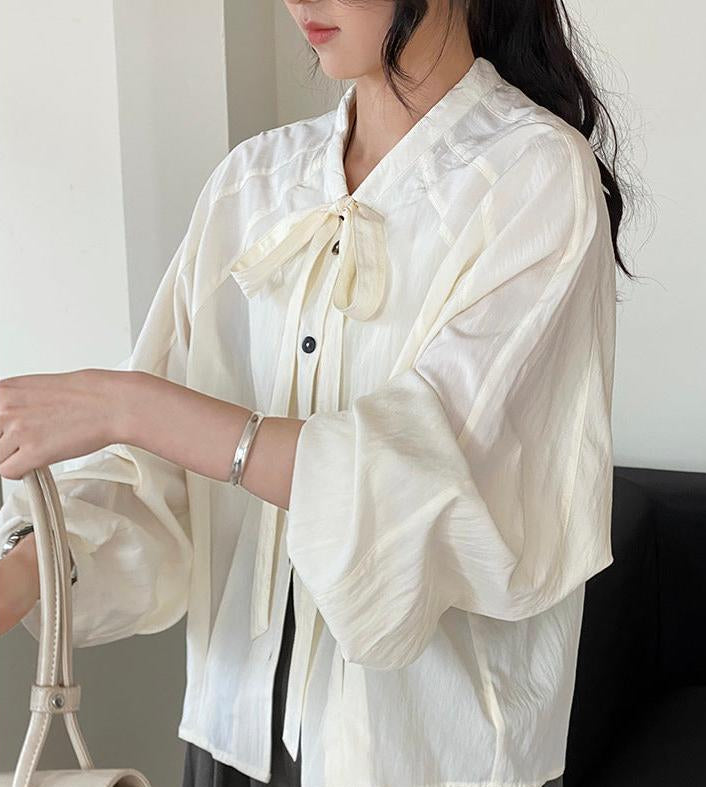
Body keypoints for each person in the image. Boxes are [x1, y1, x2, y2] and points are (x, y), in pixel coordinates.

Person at [0, 0, 634, 785]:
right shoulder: (251, 184)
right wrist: (23, 573)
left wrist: (125, 405)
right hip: (230, 739)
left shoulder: (531, 180)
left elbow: (420, 478)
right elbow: (158, 486)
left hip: (421, 760)